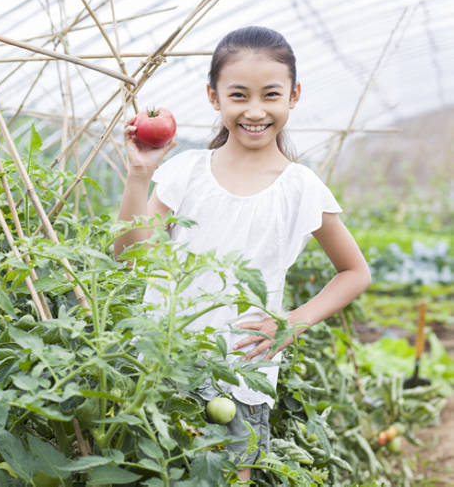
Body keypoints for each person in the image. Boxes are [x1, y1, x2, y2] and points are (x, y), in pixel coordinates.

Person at [114, 26, 370, 480]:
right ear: (214, 98)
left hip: (239, 376)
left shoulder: (300, 188)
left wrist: (291, 323)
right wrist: (138, 175)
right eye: (239, 95)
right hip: (161, 360)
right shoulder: (186, 172)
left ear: (294, 96)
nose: (255, 111)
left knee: (230, 475)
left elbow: (354, 272)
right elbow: (131, 257)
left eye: (271, 95)